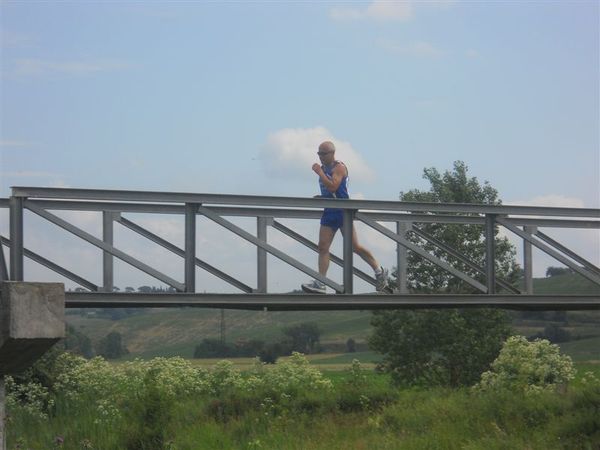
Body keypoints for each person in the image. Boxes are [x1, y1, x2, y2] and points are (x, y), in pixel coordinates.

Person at [301, 141, 389, 294]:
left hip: (342, 211)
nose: (320, 157)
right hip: (329, 211)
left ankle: (379, 271)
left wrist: (320, 173)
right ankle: (321, 282)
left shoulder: (339, 167)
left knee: (354, 246)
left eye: (323, 154)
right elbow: (329, 190)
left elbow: (334, 186)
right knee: (322, 247)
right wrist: (322, 197)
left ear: (332, 153)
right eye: (318, 154)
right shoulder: (324, 168)